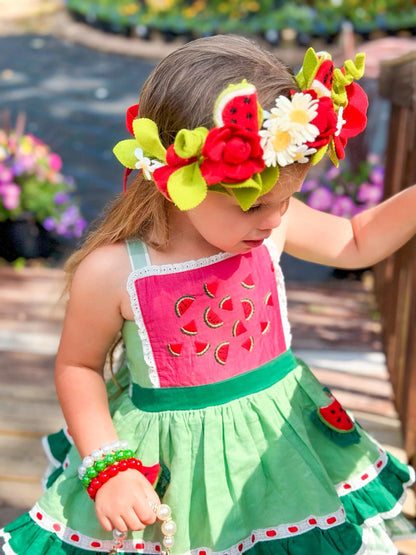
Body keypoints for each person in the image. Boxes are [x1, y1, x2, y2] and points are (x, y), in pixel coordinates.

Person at [1, 34, 415, 555]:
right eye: (252, 205)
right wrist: (109, 467)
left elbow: (356, 239)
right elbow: (79, 367)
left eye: (286, 200)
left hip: (279, 452)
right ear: (179, 183)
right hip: (175, 468)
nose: (272, 218)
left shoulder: (271, 227)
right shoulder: (115, 272)